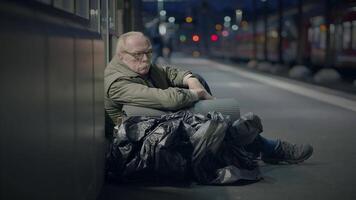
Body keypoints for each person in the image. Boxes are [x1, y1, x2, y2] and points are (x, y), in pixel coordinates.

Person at [104, 31, 313, 173]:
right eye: (138, 55)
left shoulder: (141, 67)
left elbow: (169, 71)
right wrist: (198, 95)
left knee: (204, 95)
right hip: (139, 144)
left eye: (149, 53)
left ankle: (265, 147)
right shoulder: (118, 82)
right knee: (218, 123)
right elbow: (167, 99)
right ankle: (270, 148)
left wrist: (190, 79)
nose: (145, 60)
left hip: (156, 127)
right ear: (121, 56)